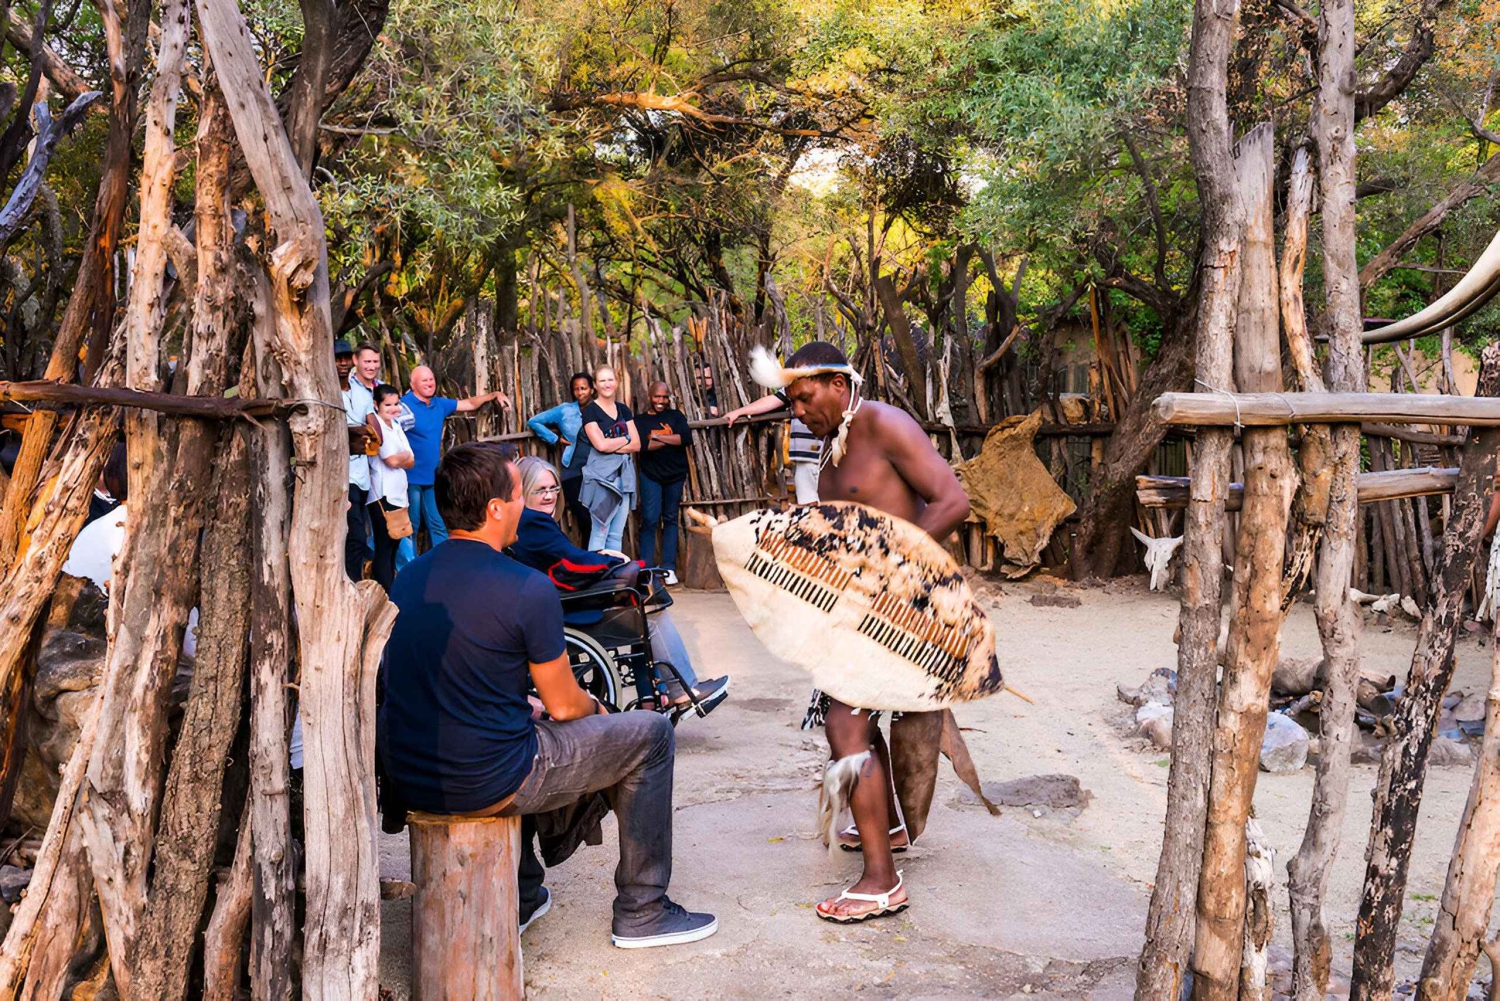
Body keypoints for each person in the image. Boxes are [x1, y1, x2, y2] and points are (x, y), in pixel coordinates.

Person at [377, 442, 718, 949]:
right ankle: (643, 910)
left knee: (524, 723)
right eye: (520, 494)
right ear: (496, 509)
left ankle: (524, 889)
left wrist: (523, 705)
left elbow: (443, 680)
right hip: (484, 779)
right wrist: (600, 711)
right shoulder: (526, 587)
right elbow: (566, 707)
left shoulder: (406, 581)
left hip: (409, 778)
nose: (528, 504)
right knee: (649, 734)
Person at [768, 341, 971, 922]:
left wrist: (890, 575)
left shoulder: (883, 422)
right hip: (864, 609)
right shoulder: (831, 443)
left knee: (843, 723)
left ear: (837, 383)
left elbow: (952, 500)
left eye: (805, 397)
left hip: (904, 606)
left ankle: (882, 880)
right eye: (791, 402)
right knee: (857, 718)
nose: (799, 411)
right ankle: (894, 829)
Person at [509, 455, 729, 711]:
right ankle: (681, 692)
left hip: (552, 598)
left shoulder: (527, 521)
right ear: (524, 490)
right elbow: (572, 563)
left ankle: (651, 698)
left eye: (553, 488)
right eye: (541, 490)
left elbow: (564, 561)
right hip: (563, 606)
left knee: (638, 603)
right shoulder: (533, 522)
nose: (549, 496)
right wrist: (610, 563)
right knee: (649, 613)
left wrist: (601, 558)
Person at [400, 365, 510, 555]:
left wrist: (494, 394)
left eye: (431, 379)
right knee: (411, 526)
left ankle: (444, 562)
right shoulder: (403, 406)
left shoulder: (439, 404)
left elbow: (468, 404)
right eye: (424, 380)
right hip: (409, 478)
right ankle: (408, 569)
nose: (429, 383)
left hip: (433, 478)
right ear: (413, 384)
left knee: (439, 524)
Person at [633, 382, 692, 584]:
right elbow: (643, 445)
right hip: (651, 475)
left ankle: (668, 568)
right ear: (649, 396)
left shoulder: (676, 416)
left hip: (675, 475)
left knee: (670, 518)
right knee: (649, 519)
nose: (661, 401)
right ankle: (647, 568)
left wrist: (657, 436)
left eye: (665, 397)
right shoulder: (639, 420)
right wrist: (669, 438)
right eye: (657, 396)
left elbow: (684, 438)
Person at [723, 391, 823, 504]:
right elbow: (775, 399)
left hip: (828, 455)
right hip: (806, 458)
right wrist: (739, 412)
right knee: (809, 508)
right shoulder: (796, 384)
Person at [579, 366, 639, 551]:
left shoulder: (623, 409)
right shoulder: (591, 411)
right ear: (595, 385)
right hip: (601, 478)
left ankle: (614, 576)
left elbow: (636, 444)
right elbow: (600, 445)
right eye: (602, 380)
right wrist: (625, 438)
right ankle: (597, 576)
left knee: (616, 533)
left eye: (610, 379)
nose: (607, 384)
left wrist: (615, 443)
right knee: (600, 530)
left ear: (617, 382)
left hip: (624, 477)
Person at [526, 373, 595, 534]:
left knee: (598, 520)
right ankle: (589, 557)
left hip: (598, 471)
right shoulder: (566, 410)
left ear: (592, 389)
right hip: (573, 472)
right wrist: (555, 439)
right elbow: (534, 421)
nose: (580, 393)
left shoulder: (600, 410)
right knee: (585, 519)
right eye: (576, 389)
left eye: (584, 388)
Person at [366, 384, 414, 592]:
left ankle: (390, 589)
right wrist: (402, 457)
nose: (393, 409)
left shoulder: (396, 426)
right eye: (388, 405)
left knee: (395, 543)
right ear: (377, 405)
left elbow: (411, 460)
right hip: (382, 494)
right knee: (384, 546)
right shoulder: (378, 428)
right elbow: (391, 460)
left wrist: (402, 458)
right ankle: (387, 593)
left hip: (398, 493)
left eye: (396, 404)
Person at [339, 339, 376, 581]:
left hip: (363, 477)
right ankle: (350, 583)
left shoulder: (362, 393)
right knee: (355, 537)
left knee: (360, 533)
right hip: (342, 476)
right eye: (337, 358)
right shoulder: (325, 391)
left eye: (345, 357)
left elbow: (374, 431)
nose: (342, 363)